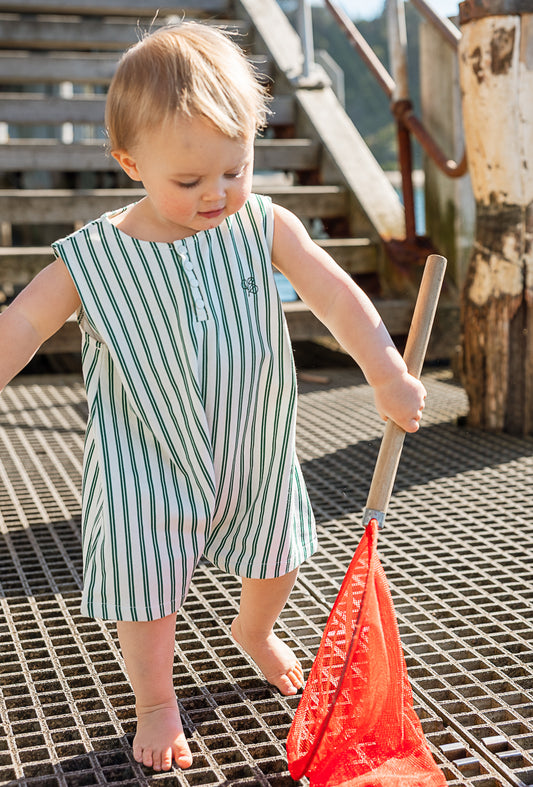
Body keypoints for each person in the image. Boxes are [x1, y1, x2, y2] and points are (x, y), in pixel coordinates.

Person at [0, 21, 426, 773]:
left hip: (250, 440)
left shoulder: (263, 226)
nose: (217, 194)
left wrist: (385, 369)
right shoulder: (94, 256)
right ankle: (156, 699)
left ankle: (252, 630)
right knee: (144, 581)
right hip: (147, 455)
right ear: (131, 163)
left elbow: (333, 293)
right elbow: (25, 322)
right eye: (189, 181)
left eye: (236, 169)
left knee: (279, 554)